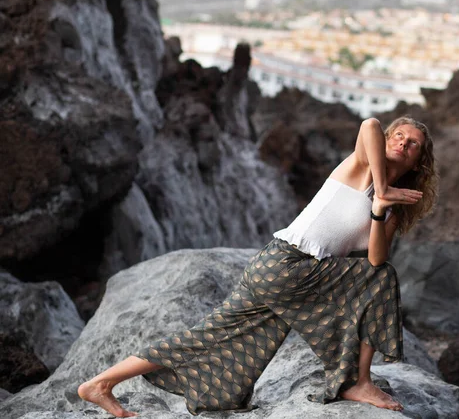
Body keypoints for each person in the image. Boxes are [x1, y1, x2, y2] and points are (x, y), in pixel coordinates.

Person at [78, 116, 438, 417]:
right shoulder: (360, 166)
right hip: (286, 263)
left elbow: (375, 257)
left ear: (418, 162)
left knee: (209, 341)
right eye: (399, 136)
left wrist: (379, 205)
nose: (403, 144)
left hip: (279, 271)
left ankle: (100, 383)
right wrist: (382, 184)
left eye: (413, 145)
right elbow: (370, 124)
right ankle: (357, 381)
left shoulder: (389, 209)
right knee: (381, 280)